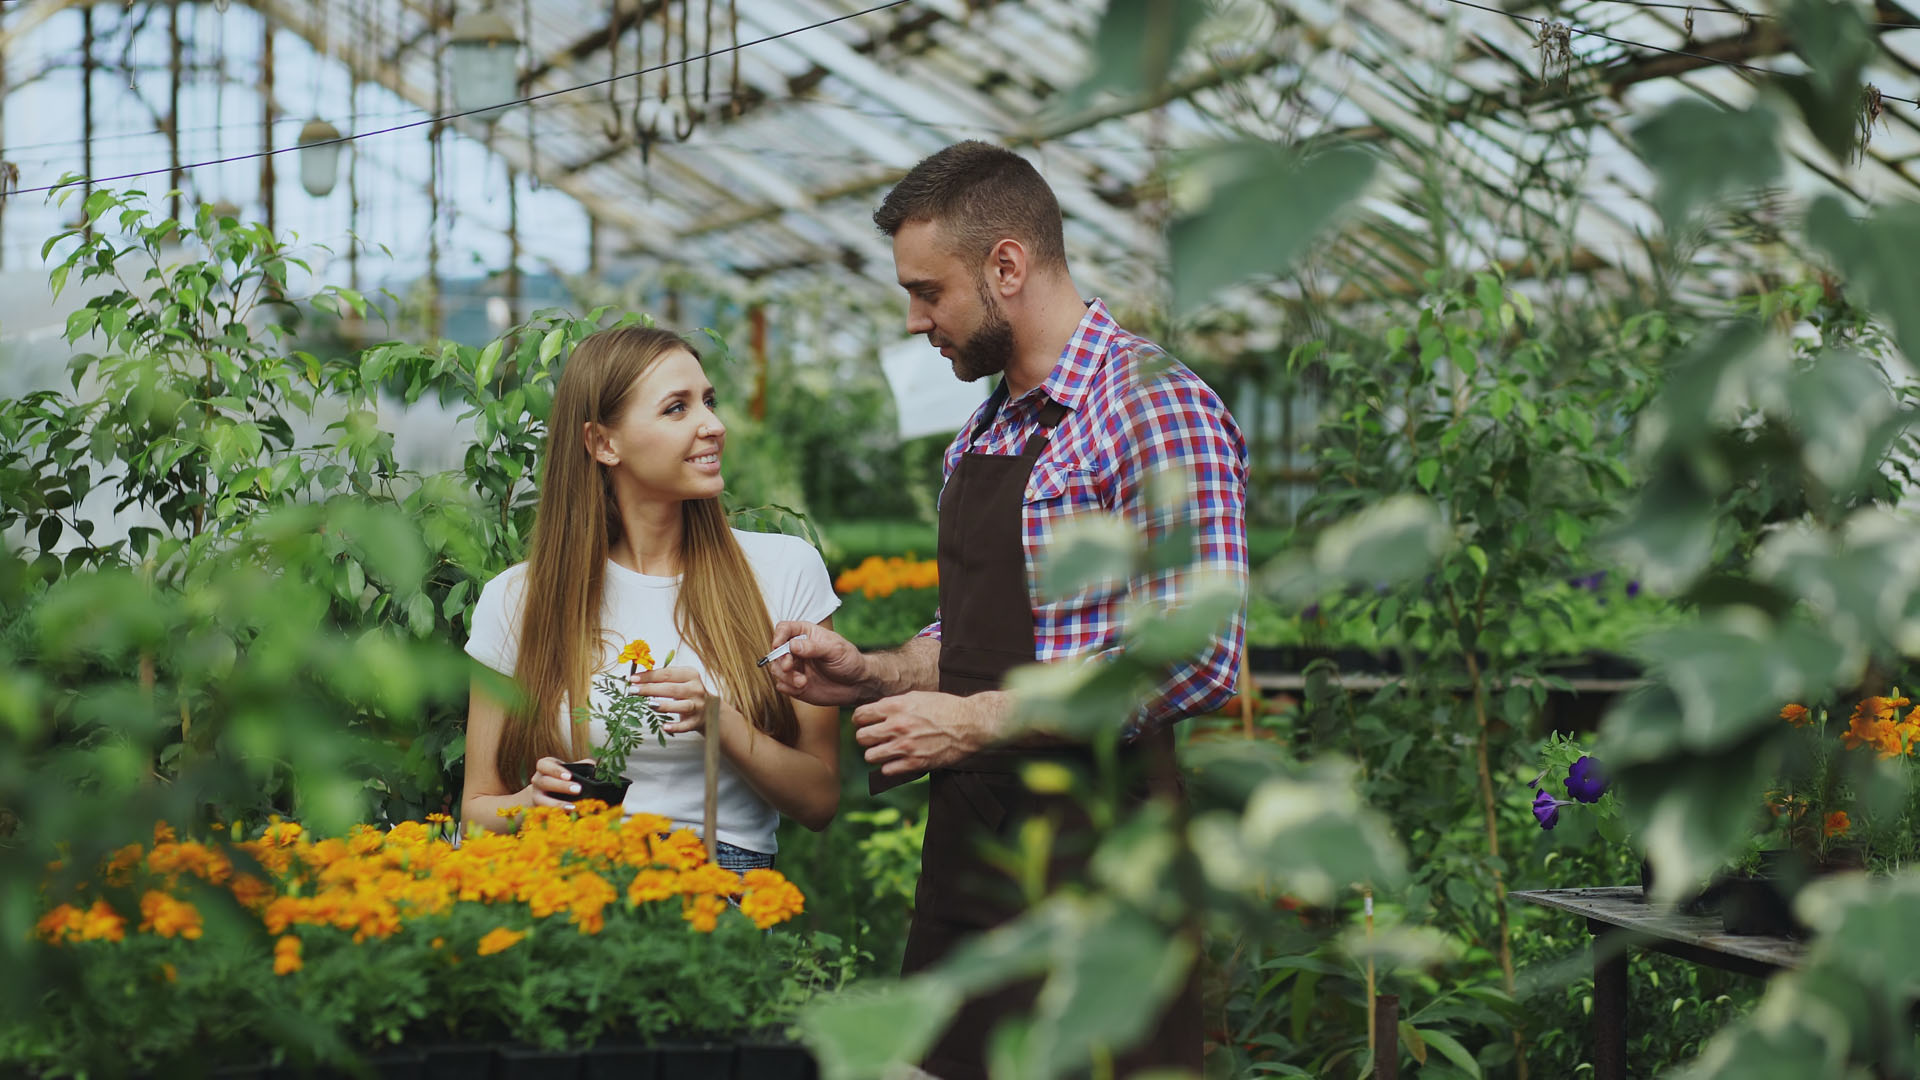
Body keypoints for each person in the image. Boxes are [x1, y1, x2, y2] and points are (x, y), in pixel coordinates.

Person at [769, 141, 1248, 1076]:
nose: (915, 320)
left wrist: (977, 724)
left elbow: (1198, 655)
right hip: (974, 854)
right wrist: (873, 671)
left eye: (927, 291)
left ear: (1006, 267)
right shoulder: (988, 427)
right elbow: (979, 637)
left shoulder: (1154, 407)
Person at [461, 326, 842, 872]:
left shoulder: (784, 570)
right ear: (602, 443)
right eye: (676, 409)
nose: (713, 425)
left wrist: (720, 723)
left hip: (721, 883)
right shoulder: (520, 599)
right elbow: (477, 812)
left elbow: (820, 800)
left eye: (708, 401)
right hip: (572, 879)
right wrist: (532, 804)